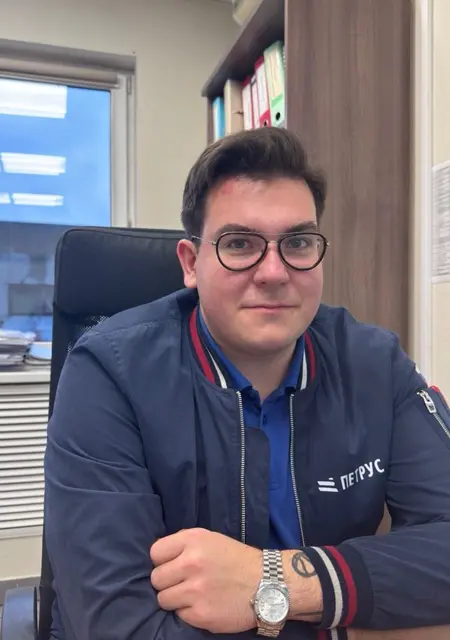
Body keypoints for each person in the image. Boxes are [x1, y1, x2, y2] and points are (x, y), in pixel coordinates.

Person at [45, 127, 450, 640]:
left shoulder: (375, 363)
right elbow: (116, 624)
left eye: (298, 242)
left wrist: (273, 582)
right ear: (191, 264)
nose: (274, 272)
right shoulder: (107, 373)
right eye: (239, 244)